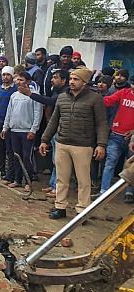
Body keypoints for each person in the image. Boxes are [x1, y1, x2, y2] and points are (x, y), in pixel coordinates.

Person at [39, 68, 108, 219]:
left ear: (85, 82)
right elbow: (54, 121)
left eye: (76, 79)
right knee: (61, 178)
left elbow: (102, 123)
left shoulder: (95, 99)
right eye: (71, 79)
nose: (72, 82)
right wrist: (44, 140)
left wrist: (101, 144)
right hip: (62, 143)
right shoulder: (62, 97)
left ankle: (82, 210)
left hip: (83, 146)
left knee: (83, 180)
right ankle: (60, 207)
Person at [19, 69, 69, 196]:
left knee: (59, 161)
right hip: (54, 127)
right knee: (54, 159)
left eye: (55, 77)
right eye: (52, 77)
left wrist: (30, 94)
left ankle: (57, 188)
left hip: (62, 130)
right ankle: (53, 184)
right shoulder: (55, 90)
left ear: (63, 80)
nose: (52, 80)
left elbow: (50, 102)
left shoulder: (66, 92)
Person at [1, 71, 43, 192]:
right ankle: (17, 180)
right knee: (16, 156)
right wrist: (5, 127)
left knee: (26, 157)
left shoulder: (34, 95)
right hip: (14, 130)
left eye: (21, 80)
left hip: (27, 131)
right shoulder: (14, 95)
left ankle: (28, 181)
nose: (18, 82)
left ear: (28, 82)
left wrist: (33, 130)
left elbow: (37, 113)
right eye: (17, 79)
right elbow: (9, 112)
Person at [101, 75, 134, 202]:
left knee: (130, 166)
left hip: (132, 138)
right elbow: (107, 101)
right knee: (110, 163)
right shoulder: (123, 93)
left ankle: (129, 192)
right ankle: (104, 191)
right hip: (116, 134)